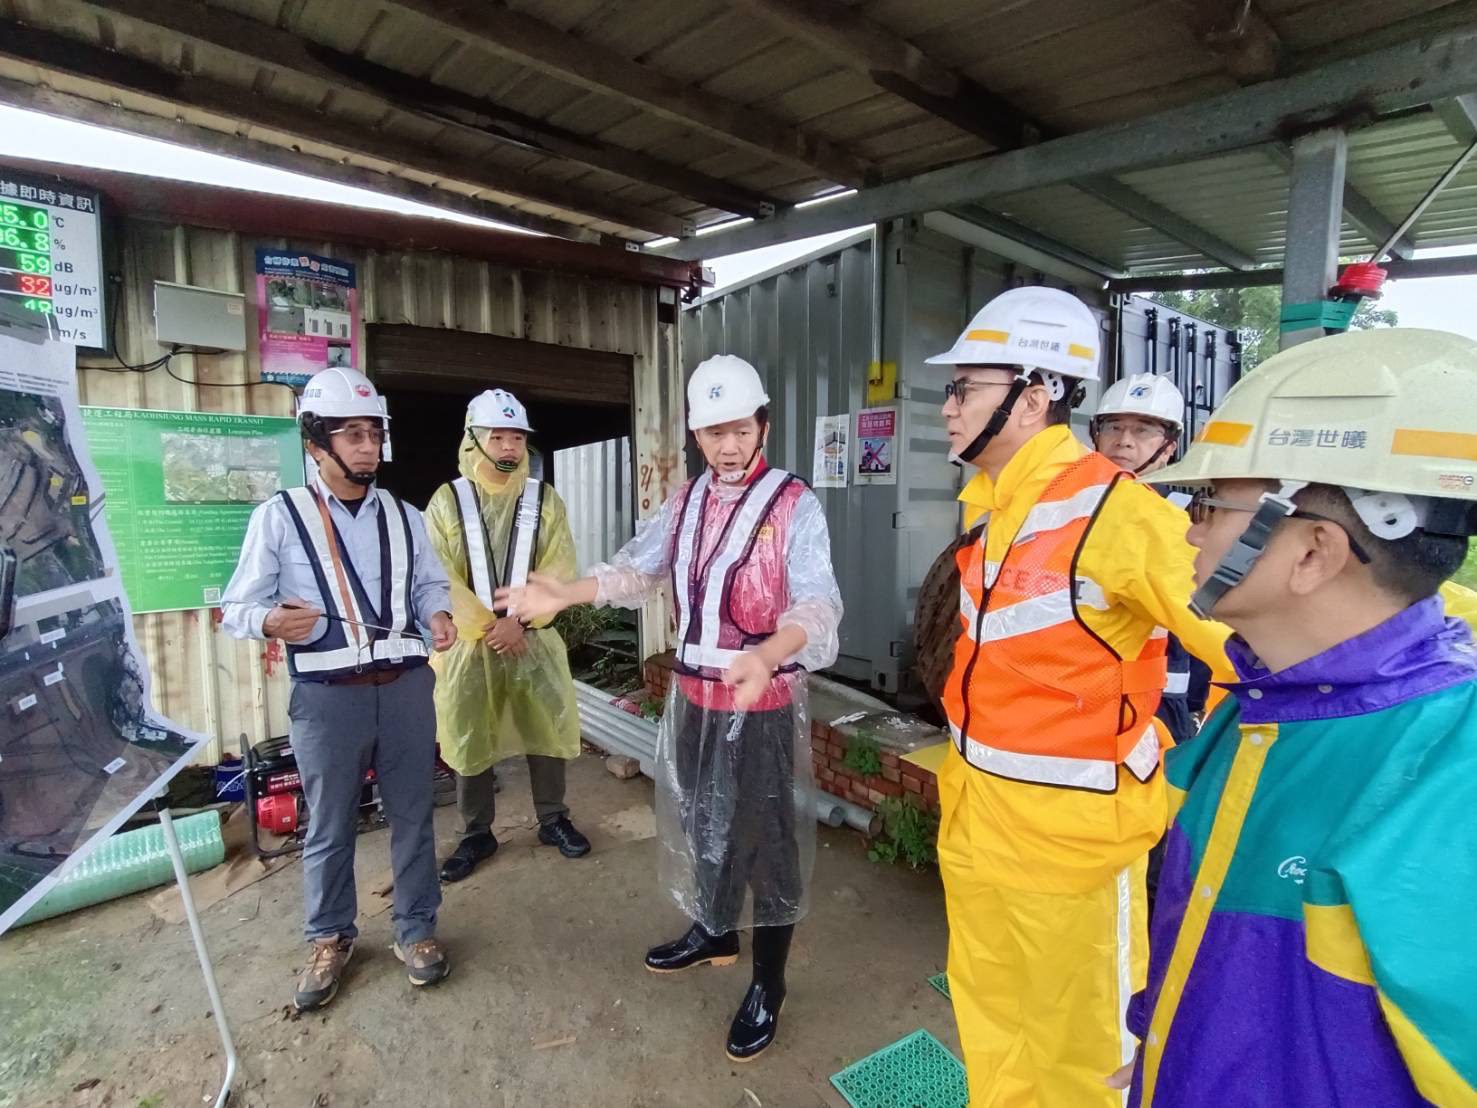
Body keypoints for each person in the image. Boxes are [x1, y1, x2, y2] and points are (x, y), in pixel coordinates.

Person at [1123, 328, 1477, 1106]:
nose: (1189, 528)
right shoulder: (1260, 708)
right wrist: (1163, 1040)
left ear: (1313, 552)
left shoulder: (1454, 776)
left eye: (1209, 505)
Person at [928, 287, 1231, 1106]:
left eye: (963, 389)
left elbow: (1271, 633)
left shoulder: (1119, 515)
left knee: (1084, 1053)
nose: (947, 408)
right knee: (993, 1020)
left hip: (1073, 850)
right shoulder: (998, 508)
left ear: (1033, 399)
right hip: (980, 822)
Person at [497, 354, 843, 1062]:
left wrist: (769, 654)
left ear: (764, 425)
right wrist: (568, 592)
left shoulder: (792, 505)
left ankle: (768, 984)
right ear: (695, 434)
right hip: (694, 696)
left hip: (762, 700)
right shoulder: (685, 503)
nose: (729, 446)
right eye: (714, 432)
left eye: (740, 429)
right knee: (702, 818)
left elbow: (819, 604)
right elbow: (638, 570)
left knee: (767, 844)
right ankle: (713, 931)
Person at [221, 367, 456, 1010]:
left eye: (374, 433)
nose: (367, 446)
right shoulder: (279, 517)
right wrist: (270, 621)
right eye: (352, 434)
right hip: (326, 699)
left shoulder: (407, 517)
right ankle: (329, 937)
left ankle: (416, 928)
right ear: (315, 443)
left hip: (406, 687)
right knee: (328, 822)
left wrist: (437, 614)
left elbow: (429, 586)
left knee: (414, 814)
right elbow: (237, 607)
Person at [427, 388, 589, 882]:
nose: (508, 447)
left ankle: (553, 818)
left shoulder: (544, 499)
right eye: (497, 437)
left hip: (531, 638)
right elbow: (438, 573)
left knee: (546, 726)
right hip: (470, 646)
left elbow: (559, 565)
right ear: (473, 441)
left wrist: (519, 622)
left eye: (516, 438)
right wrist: (487, 626)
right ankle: (476, 832)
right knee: (469, 733)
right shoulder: (447, 500)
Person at [1091, 373, 1213, 745]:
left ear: (1170, 446)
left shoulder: (1187, 524)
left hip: (1157, 709)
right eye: (1114, 427)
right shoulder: (1069, 510)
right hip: (1084, 705)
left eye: (1143, 430)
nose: (1124, 440)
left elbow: (1205, 625)